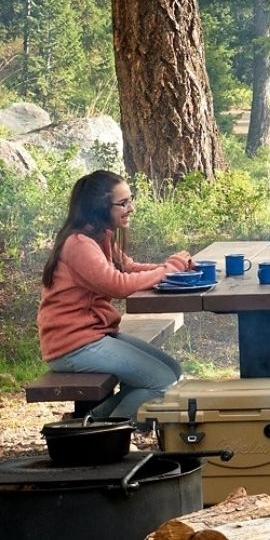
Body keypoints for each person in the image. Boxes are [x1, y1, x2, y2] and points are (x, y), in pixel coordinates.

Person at [37, 170, 192, 421]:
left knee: (173, 372)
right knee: (162, 383)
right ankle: (106, 437)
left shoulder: (100, 236)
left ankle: (90, 426)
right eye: (123, 203)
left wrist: (173, 269)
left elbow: (128, 268)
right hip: (73, 345)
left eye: (131, 199)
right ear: (99, 207)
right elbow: (117, 285)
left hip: (95, 335)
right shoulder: (79, 244)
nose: (131, 208)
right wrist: (168, 270)